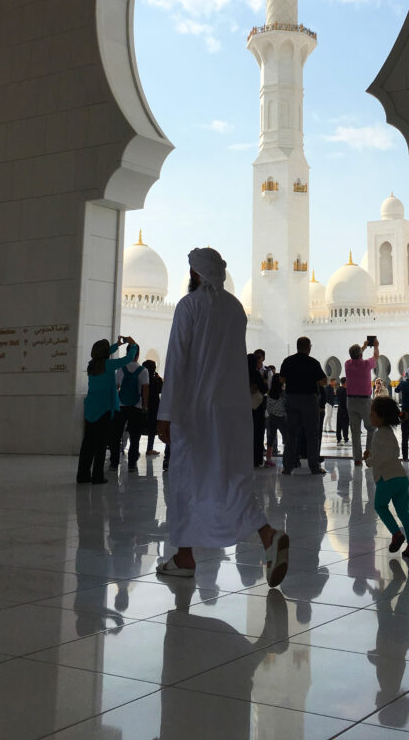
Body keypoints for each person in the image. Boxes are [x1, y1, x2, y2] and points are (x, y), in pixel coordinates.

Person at [155, 247, 289, 587]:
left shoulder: (189, 306)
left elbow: (177, 361)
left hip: (197, 411)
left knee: (185, 480)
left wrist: (166, 412)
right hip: (234, 412)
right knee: (231, 479)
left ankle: (185, 557)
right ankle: (267, 534)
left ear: (197, 274)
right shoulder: (236, 308)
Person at [364, 396, 409, 559]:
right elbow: (391, 453)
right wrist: (373, 455)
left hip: (386, 478)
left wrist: (368, 460)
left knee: (380, 506)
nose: (370, 416)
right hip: (401, 477)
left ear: (381, 417)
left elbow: (379, 458)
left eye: (372, 414)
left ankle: (396, 534)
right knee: (404, 512)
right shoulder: (389, 433)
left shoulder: (379, 434)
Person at [76, 336, 137, 484]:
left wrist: (116, 345)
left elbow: (102, 353)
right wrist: (133, 344)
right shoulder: (109, 365)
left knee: (88, 443)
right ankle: (97, 476)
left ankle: (83, 475)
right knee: (101, 443)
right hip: (104, 409)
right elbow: (129, 359)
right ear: (105, 353)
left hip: (90, 409)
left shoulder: (91, 365)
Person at [280, 336, 327, 476]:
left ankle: (287, 467)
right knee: (312, 434)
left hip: (292, 399)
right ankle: (314, 467)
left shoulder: (288, 361)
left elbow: (282, 379)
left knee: (291, 435)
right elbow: (323, 381)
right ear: (308, 347)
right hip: (309, 400)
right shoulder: (313, 362)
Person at [109, 345, 149, 472]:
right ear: (138, 354)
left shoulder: (120, 369)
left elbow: (115, 388)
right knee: (135, 436)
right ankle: (132, 464)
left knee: (116, 435)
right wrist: (145, 405)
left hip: (120, 406)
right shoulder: (143, 370)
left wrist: (113, 404)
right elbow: (145, 389)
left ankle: (114, 463)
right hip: (136, 407)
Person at [345, 338, 379, 466]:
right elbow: (376, 356)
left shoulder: (347, 364)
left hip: (350, 400)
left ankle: (357, 459)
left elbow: (355, 356)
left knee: (355, 430)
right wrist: (375, 345)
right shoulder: (366, 364)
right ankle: (368, 455)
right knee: (371, 428)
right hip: (364, 401)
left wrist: (363, 347)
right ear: (361, 354)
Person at [248, 350, 268, 467]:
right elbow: (264, 389)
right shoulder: (256, 374)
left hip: (245, 407)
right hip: (257, 407)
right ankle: (256, 459)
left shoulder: (241, 374)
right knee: (258, 432)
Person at [265, 372, 286, 467]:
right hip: (281, 418)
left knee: (271, 437)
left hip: (272, 417)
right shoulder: (282, 393)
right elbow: (285, 406)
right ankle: (286, 457)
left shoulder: (269, 393)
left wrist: (272, 413)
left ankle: (268, 459)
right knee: (286, 437)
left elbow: (268, 407)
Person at [142, 359, 163, 456]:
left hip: (142, 405)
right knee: (152, 429)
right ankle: (149, 448)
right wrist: (159, 378)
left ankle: (135, 449)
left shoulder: (142, 378)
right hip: (154, 407)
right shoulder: (154, 380)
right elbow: (160, 389)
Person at [336, 376, 349, 443]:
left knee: (339, 424)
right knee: (345, 424)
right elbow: (345, 401)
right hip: (344, 409)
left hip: (339, 408)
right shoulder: (345, 390)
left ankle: (338, 438)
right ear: (345, 382)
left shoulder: (338, 389)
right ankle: (345, 437)